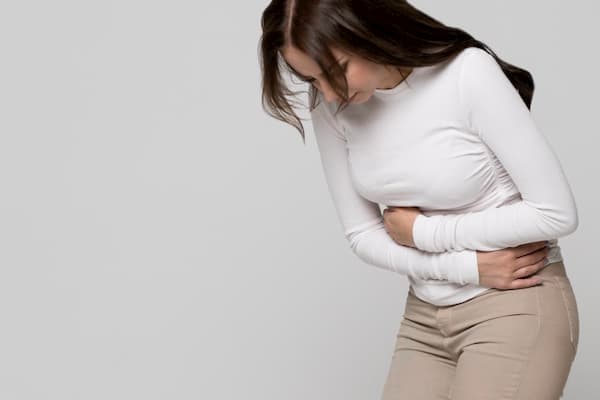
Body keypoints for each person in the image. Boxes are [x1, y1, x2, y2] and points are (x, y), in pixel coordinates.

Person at [258, 1, 580, 399]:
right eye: (312, 78)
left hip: (515, 301)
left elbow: (555, 213)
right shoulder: (329, 105)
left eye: (336, 69)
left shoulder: (466, 73)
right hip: (424, 316)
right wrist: (463, 267)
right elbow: (361, 234)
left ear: (368, 32)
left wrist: (423, 232)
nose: (328, 91)